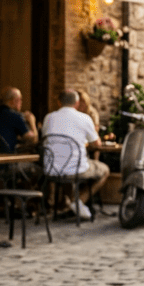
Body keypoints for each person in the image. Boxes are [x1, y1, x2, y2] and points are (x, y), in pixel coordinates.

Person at [41, 90, 112, 220]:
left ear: (58, 102)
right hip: (75, 169)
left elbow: (44, 138)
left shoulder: (48, 117)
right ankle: (78, 202)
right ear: (77, 103)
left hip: (51, 169)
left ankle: (72, 203)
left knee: (67, 169)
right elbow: (97, 144)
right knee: (105, 170)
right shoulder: (84, 118)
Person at [0, 87, 37, 152]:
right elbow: (33, 140)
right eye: (20, 99)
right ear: (15, 100)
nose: (21, 102)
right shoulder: (15, 116)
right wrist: (32, 121)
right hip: (8, 158)